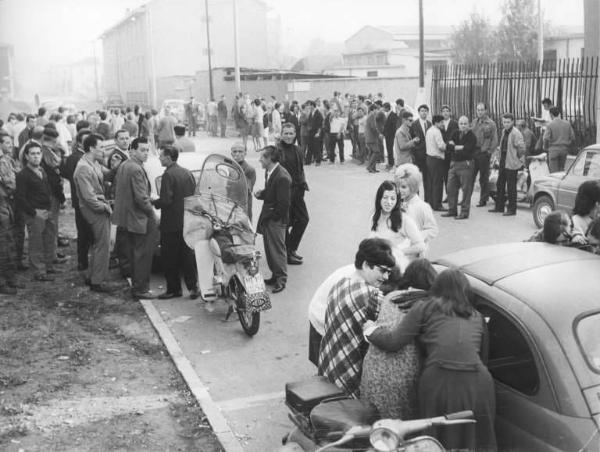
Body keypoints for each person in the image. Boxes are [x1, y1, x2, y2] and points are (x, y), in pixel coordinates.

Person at [364, 269, 497, 451]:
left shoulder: (425, 307)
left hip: (439, 381)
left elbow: (393, 342)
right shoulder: (477, 316)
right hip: (479, 383)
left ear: (436, 287)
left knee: (437, 436)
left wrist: (371, 330)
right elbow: (484, 357)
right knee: (474, 438)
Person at [318, 238, 395, 398]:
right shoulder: (372, 295)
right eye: (382, 270)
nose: (386, 277)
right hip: (349, 373)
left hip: (328, 365)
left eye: (389, 272)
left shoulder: (340, 284)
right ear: (366, 265)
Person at [360, 258, 437, 419]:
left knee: (373, 422)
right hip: (404, 375)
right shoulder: (427, 305)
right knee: (398, 427)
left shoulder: (392, 296)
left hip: (373, 368)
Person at [112, 137, 158, 300]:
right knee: (143, 256)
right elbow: (141, 198)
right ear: (132, 151)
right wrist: (151, 212)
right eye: (142, 150)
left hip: (127, 218)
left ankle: (137, 287)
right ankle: (140, 289)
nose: (146, 153)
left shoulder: (125, 165)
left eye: (147, 150)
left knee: (134, 254)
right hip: (139, 218)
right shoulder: (136, 169)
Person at [152, 145, 199, 300]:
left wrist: (154, 202)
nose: (159, 158)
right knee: (187, 256)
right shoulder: (186, 173)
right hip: (186, 220)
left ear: (168, 157)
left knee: (169, 258)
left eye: (161, 156)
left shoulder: (168, 175)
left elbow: (166, 200)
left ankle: (174, 289)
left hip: (171, 223)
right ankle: (193, 287)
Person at [73, 134, 114, 293]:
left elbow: (106, 174)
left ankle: (95, 276)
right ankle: (97, 281)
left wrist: (115, 168)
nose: (104, 151)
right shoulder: (83, 167)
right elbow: (88, 197)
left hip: (98, 206)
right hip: (94, 210)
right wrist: (103, 207)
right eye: (101, 147)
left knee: (101, 244)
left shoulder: (94, 162)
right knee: (102, 245)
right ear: (91, 148)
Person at [15, 142, 56, 281]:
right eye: (32, 154)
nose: (36, 156)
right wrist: (34, 213)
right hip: (35, 213)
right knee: (36, 243)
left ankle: (48, 266)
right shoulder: (22, 175)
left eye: (38, 153)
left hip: (47, 210)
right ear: (26, 156)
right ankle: (38, 272)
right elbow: (20, 198)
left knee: (49, 239)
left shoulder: (42, 170)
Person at [255, 145, 291, 294]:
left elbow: (283, 204)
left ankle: (281, 280)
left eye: (262, 157)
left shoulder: (282, 176)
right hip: (269, 217)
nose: (260, 160)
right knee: (270, 249)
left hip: (275, 220)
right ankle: (275, 276)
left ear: (270, 159)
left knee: (277, 250)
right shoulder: (270, 172)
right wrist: (262, 194)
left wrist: (273, 219)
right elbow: (271, 192)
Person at [307, 264, 356, 366]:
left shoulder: (361, 272)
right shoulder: (354, 282)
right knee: (327, 365)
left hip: (323, 315)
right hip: (322, 317)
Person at [369, 180, 425, 269]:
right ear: (379, 198)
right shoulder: (374, 217)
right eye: (385, 197)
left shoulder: (404, 219)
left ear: (397, 200)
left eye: (393, 199)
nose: (389, 202)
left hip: (397, 266)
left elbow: (421, 246)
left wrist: (397, 252)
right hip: (379, 262)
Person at [278, 123, 309, 265]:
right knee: (286, 222)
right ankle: (287, 253)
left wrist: (303, 186)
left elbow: (301, 170)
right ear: (281, 134)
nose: (289, 136)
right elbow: (272, 173)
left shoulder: (299, 150)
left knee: (303, 219)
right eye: (286, 133)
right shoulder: (277, 151)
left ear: (295, 134)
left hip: (298, 191)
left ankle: (290, 249)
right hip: (284, 193)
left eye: (291, 133)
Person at [62, 128, 94, 271]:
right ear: (80, 143)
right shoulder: (76, 158)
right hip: (82, 200)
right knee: (85, 232)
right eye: (87, 141)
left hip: (82, 199)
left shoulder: (79, 157)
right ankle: (83, 261)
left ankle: (85, 261)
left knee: (87, 232)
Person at [489, 113, 525, 216]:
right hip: (503, 161)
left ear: (512, 122)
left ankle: (512, 209)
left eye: (508, 122)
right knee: (500, 184)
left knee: (511, 187)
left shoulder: (516, 133)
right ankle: (499, 207)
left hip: (511, 163)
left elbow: (521, 149)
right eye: (504, 122)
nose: (506, 124)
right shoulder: (504, 131)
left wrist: (517, 160)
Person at [394, 164, 438, 246]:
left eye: (403, 187)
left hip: (415, 250)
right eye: (397, 186)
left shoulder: (422, 207)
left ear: (413, 187)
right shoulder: (397, 203)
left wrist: (416, 236)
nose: (399, 190)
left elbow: (432, 230)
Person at [443, 116, 477, 219]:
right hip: (453, 164)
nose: (463, 125)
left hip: (465, 164)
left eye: (465, 124)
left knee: (466, 189)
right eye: (461, 123)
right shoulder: (455, 133)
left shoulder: (472, 137)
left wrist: (454, 147)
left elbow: (466, 151)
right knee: (450, 188)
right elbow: (448, 147)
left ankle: (464, 212)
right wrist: (458, 147)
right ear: (458, 124)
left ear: (469, 124)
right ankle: (452, 210)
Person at [0, 132, 18, 294]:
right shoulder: (2, 162)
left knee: (8, 243)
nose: (10, 146)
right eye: (6, 143)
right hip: (2, 204)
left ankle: (9, 278)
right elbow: (10, 183)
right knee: (2, 245)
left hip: (6, 205)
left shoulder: (6, 161)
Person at [472, 102, 499, 208]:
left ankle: (483, 199)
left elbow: (495, 140)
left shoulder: (491, 123)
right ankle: (466, 199)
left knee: (483, 178)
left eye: (482, 110)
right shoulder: (474, 122)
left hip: (484, 153)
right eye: (478, 110)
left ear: (486, 111)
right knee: (471, 176)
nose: (480, 112)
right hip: (474, 152)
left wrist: (489, 152)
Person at [425, 114, 447, 210]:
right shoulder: (437, 132)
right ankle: (437, 205)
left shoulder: (429, 131)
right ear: (436, 123)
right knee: (438, 183)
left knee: (431, 182)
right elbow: (441, 146)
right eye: (441, 122)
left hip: (429, 159)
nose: (443, 124)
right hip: (437, 159)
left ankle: (430, 203)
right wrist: (449, 146)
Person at [543, 107, 575, 173]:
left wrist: (545, 147)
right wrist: (567, 144)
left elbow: (546, 138)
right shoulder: (567, 123)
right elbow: (573, 138)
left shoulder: (550, 125)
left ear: (551, 114)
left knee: (554, 172)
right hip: (564, 150)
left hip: (553, 150)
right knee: (561, 170)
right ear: (558, 114)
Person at [230, 143, 256, 221]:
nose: (237, 154)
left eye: (240, 151)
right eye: (235, 152)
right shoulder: (229, 167)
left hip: (243, 204)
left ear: (245, 153)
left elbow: (247, 190)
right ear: (231, 154)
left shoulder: (249, 169)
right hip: (230, 203)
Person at [409, 105, 431, 193]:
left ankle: (427, 199)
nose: (424, 112)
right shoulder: (414, 124)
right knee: (416, 178)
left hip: (428, 155)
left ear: (428, 112)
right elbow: (410, 139)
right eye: (422, 111)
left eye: (425, 111)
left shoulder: (430, 124)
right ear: (418, 112)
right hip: (417, 155)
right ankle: (416, 197)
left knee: (427, 178)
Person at [365, 104, 386, 173]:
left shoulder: (370, 116)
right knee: (376, 152)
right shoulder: (372, 116)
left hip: (369, 137)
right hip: (372, 137)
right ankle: (369, 166)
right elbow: (373, 127)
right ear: (373, 109)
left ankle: (373, 168)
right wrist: (379, 134)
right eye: (376, 109)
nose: (377, 111)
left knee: (372, 153)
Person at [306, 101, 324, 166]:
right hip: (310, 132)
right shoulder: (311, 113)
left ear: (313, 106)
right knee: (310, 146)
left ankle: (318, 161)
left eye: (309, 105)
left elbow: (320, 125)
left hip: (316, 132)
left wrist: (318, 133)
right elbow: (309, 122)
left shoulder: (318, 113)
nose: (309, 107)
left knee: (316, 147)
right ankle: (308, 161)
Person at [383, 102, 399, 169]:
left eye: (384, 107)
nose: (383, 109)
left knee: (390, 149)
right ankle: (390, 163)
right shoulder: (388, 114)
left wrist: (390, 134)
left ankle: (391, 163)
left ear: (387, 107)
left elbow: (393, 127)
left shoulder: (393, 115)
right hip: (387, 135)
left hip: (391, 135)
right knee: (388, 149)